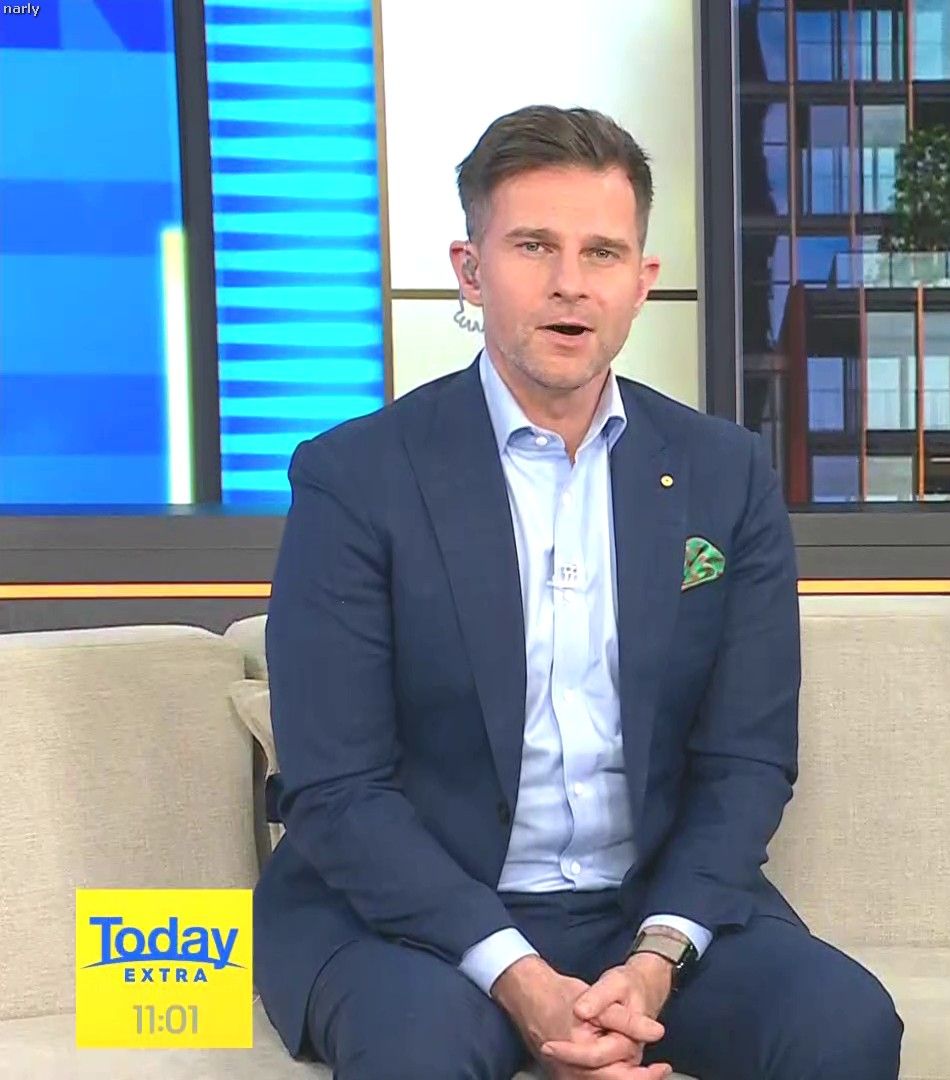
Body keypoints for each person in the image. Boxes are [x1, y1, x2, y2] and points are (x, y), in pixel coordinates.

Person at [254, 104, 902, 1080]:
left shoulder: (725, 475)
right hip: (413, 922)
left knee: (844, 1026)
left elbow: (747, 760)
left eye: (602, 252)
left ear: (642, 281)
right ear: (470, 270)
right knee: (415, 1056)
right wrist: (521, 977)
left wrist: (653, 964)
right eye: (533, 246)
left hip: (644, 910)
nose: (570, 283)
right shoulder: (356, 478)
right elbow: (338, 790)